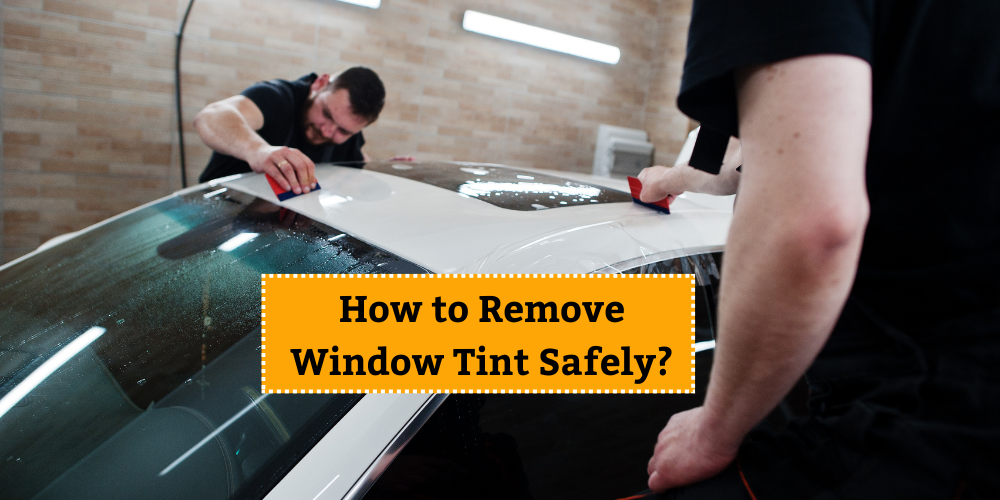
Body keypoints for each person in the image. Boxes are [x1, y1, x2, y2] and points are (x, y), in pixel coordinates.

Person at [641, 1, 1000, 498]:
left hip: (927, 414)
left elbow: (809, 224)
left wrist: (714, 430)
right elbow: (769, 149)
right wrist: (672, 177)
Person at [195, 67, 414, 195]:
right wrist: (257, 150)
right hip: (218, 215)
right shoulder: (277, 98)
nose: (328, 132)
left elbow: (358, 163)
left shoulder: (347, 135)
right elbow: (211, 116)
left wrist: (383, 171)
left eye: (344, 131)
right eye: (327, 114)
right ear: (320, 84)